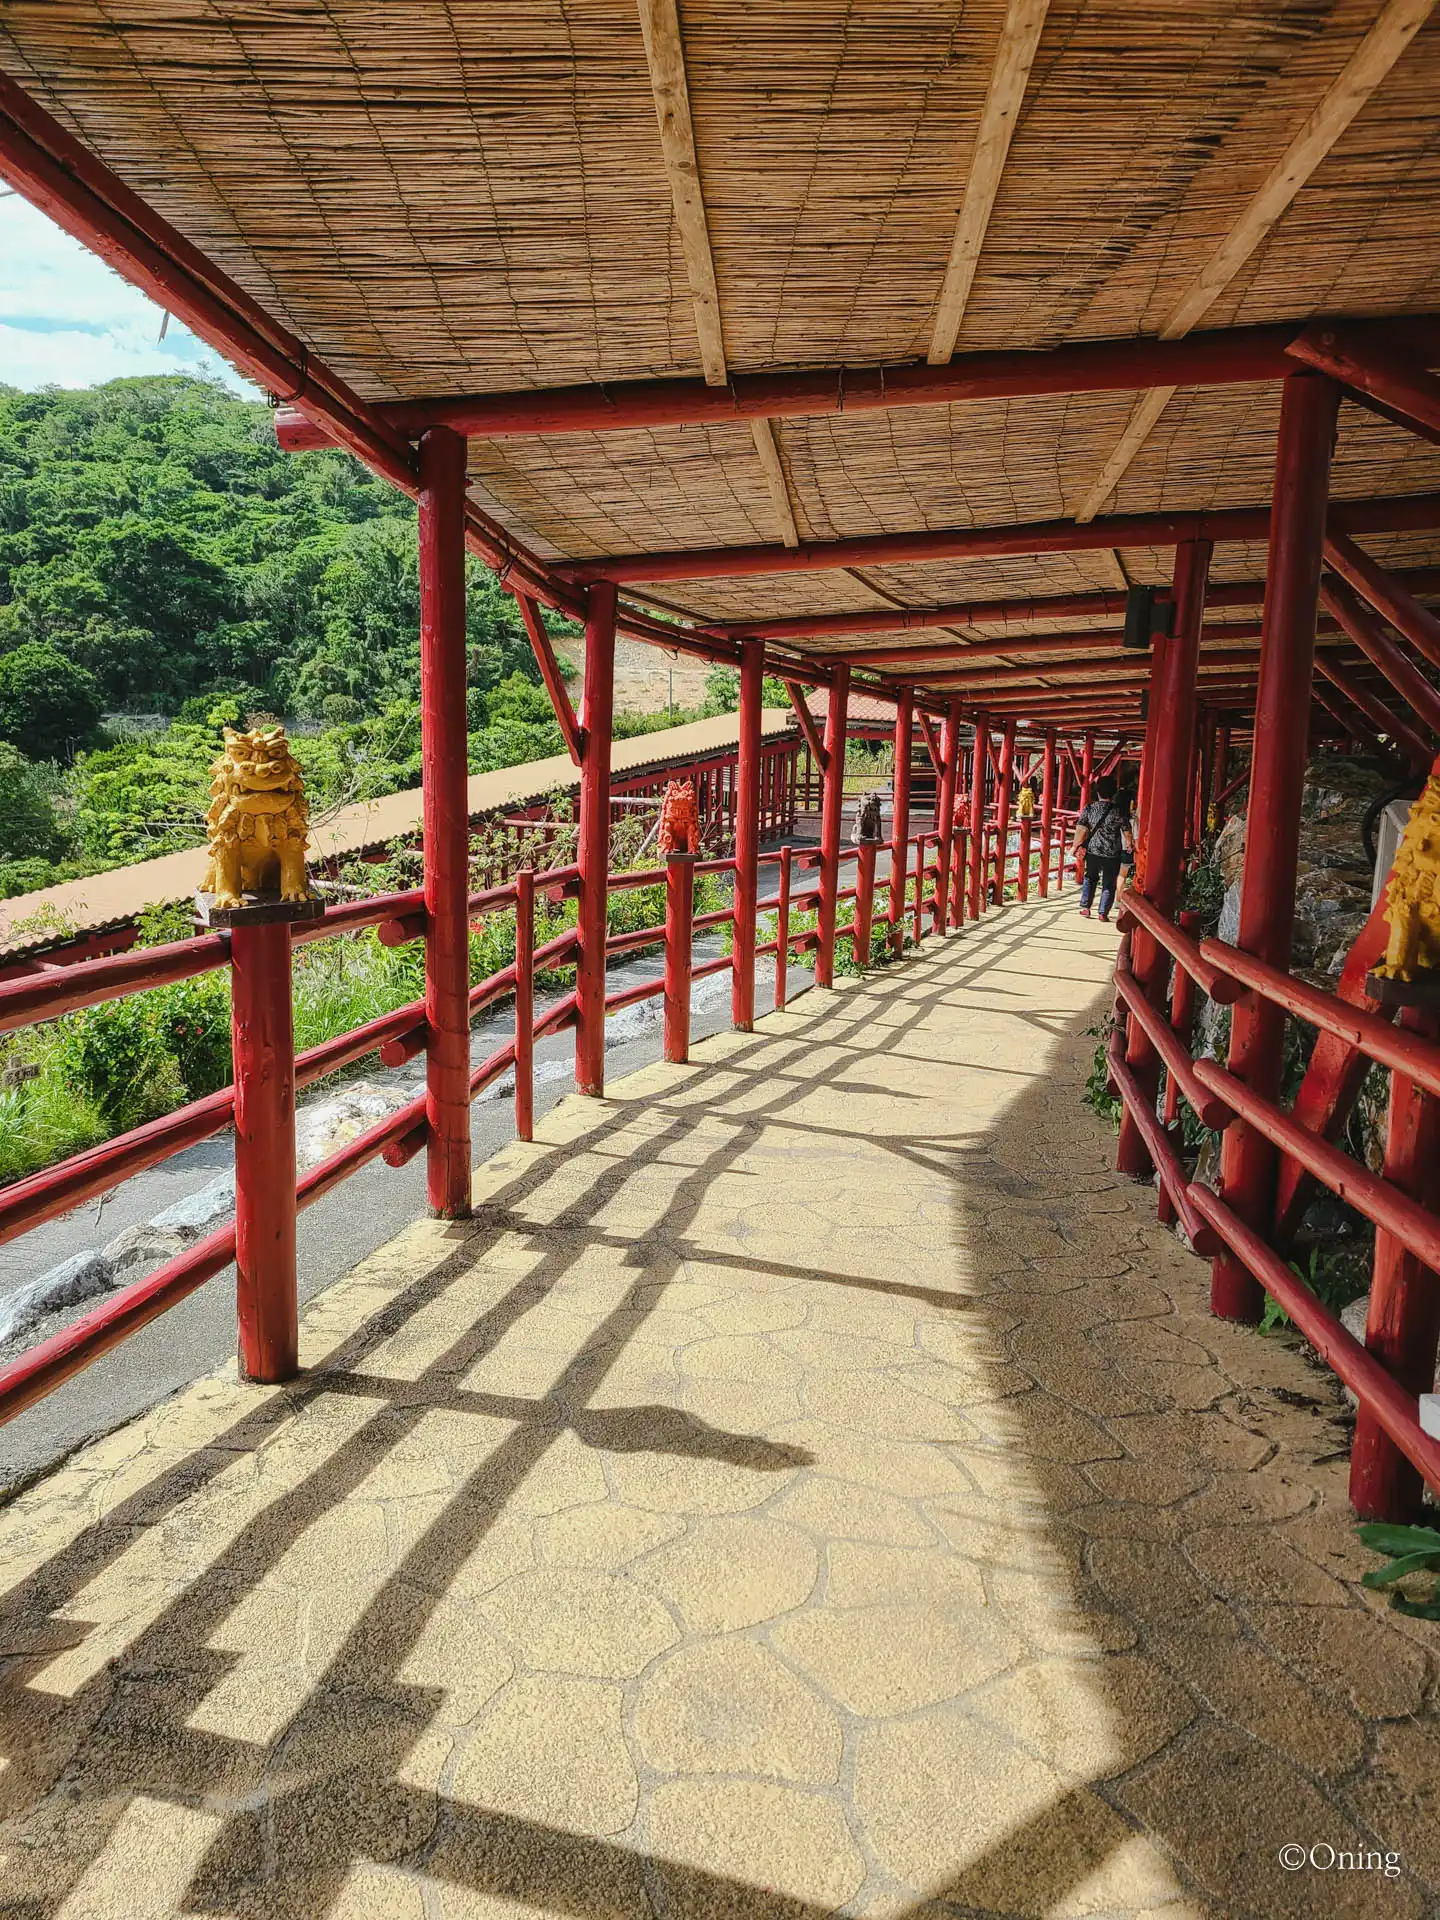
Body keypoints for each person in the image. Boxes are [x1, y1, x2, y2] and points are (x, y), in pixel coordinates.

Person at [1070, 775, 1134, 921]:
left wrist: (1075, 846)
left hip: (1093, 850)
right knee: (1109, 882)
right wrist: (1130, 844)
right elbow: (1126, 830)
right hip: (1112, 852)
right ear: (1113, 792)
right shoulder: (1118, 811)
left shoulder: (1090, 808)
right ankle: (1103, 912)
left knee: (1090, 877)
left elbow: (1081, 829)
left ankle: (1086, 907)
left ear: (1098, 792)